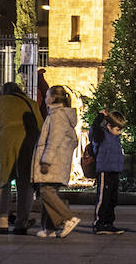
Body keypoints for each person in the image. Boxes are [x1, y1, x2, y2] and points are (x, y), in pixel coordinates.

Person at [0, 80, 42, 234]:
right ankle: (21, 223)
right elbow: (40, 126)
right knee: (25, 184)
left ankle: (2, 222)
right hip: (27, 145)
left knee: (2, 182)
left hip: (4, 144)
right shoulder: (31, 103)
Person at [33, 85, 81, 237]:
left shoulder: (57, 116)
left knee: (46, 191)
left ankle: (68, 218)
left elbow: (54, 140)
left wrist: (46, 160)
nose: (45, 98)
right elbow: (72, 141)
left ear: (52, 99)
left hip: (53, 162)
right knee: (49, 193)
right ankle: (50, 229)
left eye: (47, 95)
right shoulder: (58, 115)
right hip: (58, 160)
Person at [90, 109, 126, 235]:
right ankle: (99, 223)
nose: (119, 132)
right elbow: (94, 128)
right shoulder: (101, 134)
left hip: (115, 170)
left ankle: (109, 223)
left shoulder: (115, 136)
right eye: (117, 129)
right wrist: (100, 116)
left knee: (112, 198)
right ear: (109, 126)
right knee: (103, 198)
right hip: (104, 170)